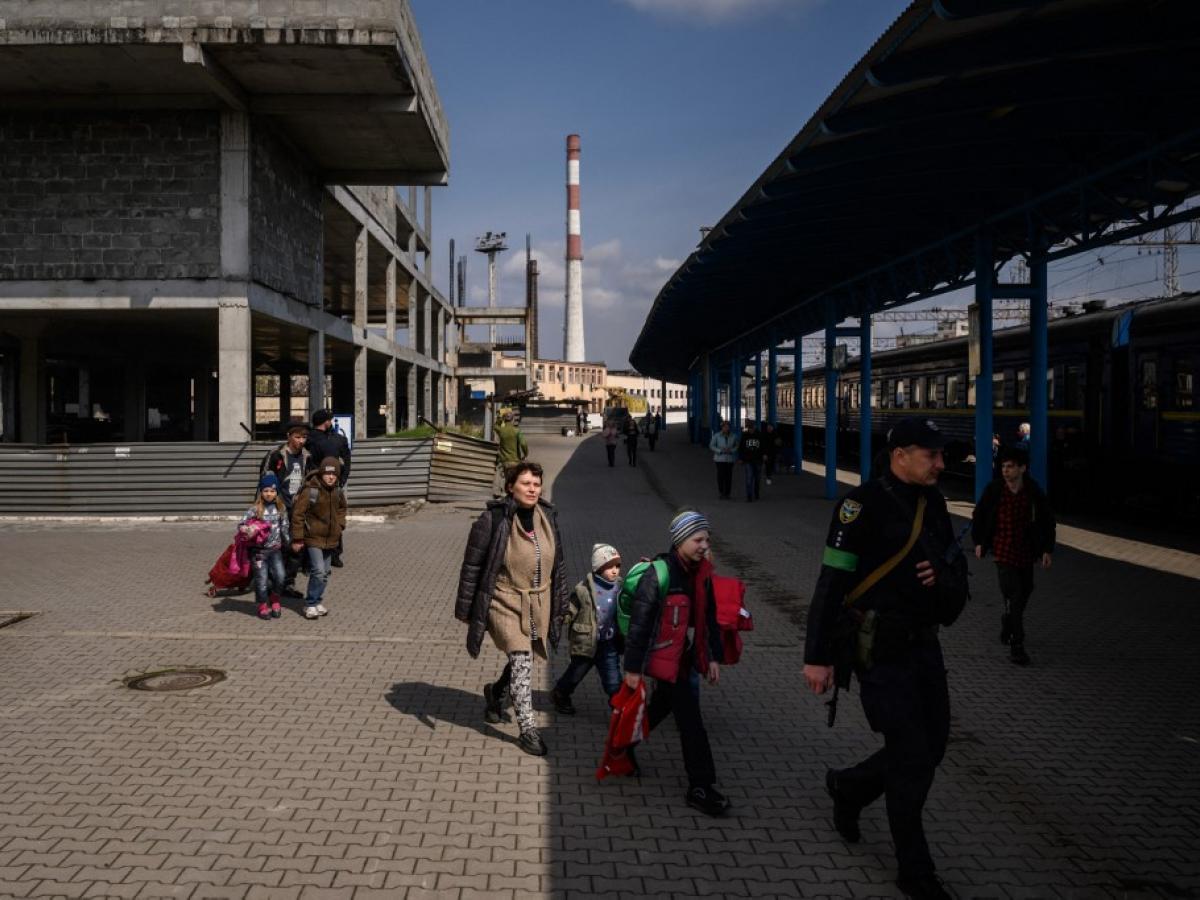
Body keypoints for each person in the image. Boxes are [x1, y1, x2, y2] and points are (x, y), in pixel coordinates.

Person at [802, 417, 969, 900]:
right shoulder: (860, 506)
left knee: (931, 746)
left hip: (924, 645)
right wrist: (816, 656)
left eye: (941, 456)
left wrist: (942, 574)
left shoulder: (935, 504)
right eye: (931, 455)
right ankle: (915, 871)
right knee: (913, 756)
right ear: (901, 455)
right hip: (879, 651)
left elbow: (955, 578)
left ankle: (849, 788)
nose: (940, 464)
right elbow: (830, 583)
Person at [454, 462, 568, 756]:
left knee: (524, 657)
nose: (532, 489)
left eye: (536, 484)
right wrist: (466, 608)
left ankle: (496, 693)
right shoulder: (493, 519)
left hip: (536, 600)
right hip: (503, 599)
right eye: (526, 483)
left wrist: (561, 601)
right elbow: (472, 566)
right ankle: (528, 729)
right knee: (521, 658)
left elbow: (560, 565)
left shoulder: (548, 516)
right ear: (510, 487)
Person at [623, 509, 729, 816]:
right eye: (698, 539)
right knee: (691, 723)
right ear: (681, 540)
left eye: (706, 539)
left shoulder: (702, 574)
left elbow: (708, 618)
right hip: (662, 659)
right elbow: (640, 625)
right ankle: (700, 786)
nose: (704, 545)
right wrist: (632, 670)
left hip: (681, 659)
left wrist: (711, 657)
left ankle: (624, 747)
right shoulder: (658, 573)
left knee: (659, 709)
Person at [971, 446, 1055, 666]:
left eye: (1010, 467)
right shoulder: (995, 490)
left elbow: (1047, 519)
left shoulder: (1033, 491)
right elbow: (979, 515)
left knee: (1025, 590)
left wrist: (1047, 548)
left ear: (1022, 468)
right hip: (1003, 550)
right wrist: (979, 542)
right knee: (1015, 596)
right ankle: (1017, 645)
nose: (1005, 471)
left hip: (1026, 551)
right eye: (1003, 467)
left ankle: (1008, 620)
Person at [551, 543, 624, 714]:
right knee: (575, 674)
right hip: (586, 642)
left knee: (613, 679)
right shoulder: (583, 590)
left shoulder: (621, 588)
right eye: (609, 567)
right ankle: (560, 694)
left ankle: (619, 708)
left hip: (608, 644)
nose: (614, 570)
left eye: (617, 566)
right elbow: (571, 608)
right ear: (598, 568)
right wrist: (562, 618)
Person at [290, 457, 347, 620]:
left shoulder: (337, 490)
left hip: (331, 538)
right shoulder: (310, 490)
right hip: (313, 537)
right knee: (318, 570)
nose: (331, 477)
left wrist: (340, 525)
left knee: (326, 572)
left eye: (334, 475)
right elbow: (298, 515)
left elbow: (342, 508)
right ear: (322, 473)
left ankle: (317, 602)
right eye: (328, 474)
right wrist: (298, 538)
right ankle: (310, 603)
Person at [261, 420, 312, 597]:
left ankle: (287, 583)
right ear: (288, 437)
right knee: (275, 547)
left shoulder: (307, 456)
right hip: (278, 509)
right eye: (298, 437)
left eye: (304, 437)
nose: (301, 441)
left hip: (298, 512)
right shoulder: (276, 455)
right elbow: (265, 481)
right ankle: (270, 582)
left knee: (296, 548)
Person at [241, 474, 290, 620]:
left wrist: (290, 542)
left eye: (272, 491)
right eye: (266, 490)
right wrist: (247, 530)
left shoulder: (281, 509)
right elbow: (241, 524)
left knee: (281, 577)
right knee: (261, 581)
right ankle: (262, 605)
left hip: (276, 550)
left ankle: (275, 599)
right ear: (261, 492)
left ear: (277, 492)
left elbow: (285, 527)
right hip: (259, 552)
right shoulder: (255, 509)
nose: (269, 494)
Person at [307, 410, 351, 568]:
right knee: (331, 517)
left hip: (319, 486)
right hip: (328, 486)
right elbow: (346, 461)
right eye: (330, 420)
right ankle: (333, 554)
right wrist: (342, 480)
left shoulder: (308, 439)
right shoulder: (336, 439)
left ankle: (322, 554)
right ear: (327, 421)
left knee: (319, 517)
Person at [492, 410, 528, 490]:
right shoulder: (517, 431)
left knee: (508, 480)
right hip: (515, 461)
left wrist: (500, 418)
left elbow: (495, 426)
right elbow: (523, 444)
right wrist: (525, 454)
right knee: (515, 480)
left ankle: (507, 494)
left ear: (504, 420)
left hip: (505, 461)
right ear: (513, 420)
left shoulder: (501, 430)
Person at [708, 420, 737, 499]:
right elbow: (711, 445)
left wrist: (731, 450)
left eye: (727, 427)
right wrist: (720, 451)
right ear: (722, 427)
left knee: (729, 477)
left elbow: (736, 446)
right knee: (721, 476)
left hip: (729, 459)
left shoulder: (733, 436)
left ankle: (727, 493)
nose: (726, 428)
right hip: (719, 459)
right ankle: (721, 492)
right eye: (724, 427)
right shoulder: (717, 436)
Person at [738, 420, 764, 501]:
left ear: (754, 427)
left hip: (758, 460)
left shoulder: (759, 435)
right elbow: (741, 448)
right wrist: (741, 458)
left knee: (757, 479)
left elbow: (764, 447)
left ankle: (756, 493)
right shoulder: (745, 436)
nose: (751, 429)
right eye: (749, 428)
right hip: (748, 461)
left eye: (752, 428)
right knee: (749, 479)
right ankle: (749, 496)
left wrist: (764, 455)